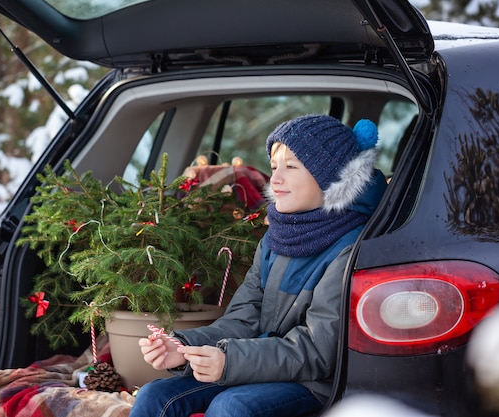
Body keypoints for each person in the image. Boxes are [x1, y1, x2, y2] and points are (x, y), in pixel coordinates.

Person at [129, 114, 388, 417]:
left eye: (291, 167)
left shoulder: (350, 248)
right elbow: (243, 319)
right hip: (257, 365)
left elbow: (318, 351)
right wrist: (183, 348)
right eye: (274, 167)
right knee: (154, 396)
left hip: (315, 383)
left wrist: (229, 361)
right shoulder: (276, 237)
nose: (275, 179)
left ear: (332, 178)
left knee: (232, 407)